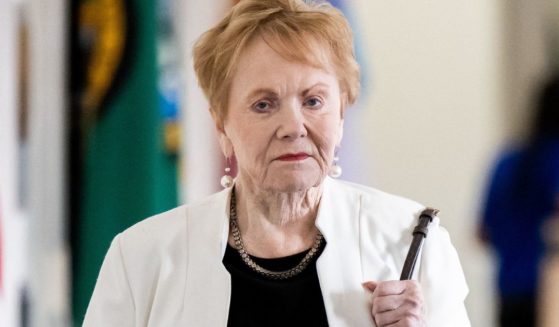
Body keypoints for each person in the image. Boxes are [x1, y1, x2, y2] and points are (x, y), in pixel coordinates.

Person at [83, 0, 470, 326]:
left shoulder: (412, 244)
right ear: (222, 124)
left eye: (313, 101)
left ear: (341, 114)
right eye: (264, 104)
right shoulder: (141, 258)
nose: (293, 126)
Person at [479, 73, 559, 327]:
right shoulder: (554, 160)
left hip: (509, 286)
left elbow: (482, 232)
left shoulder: (506, 160)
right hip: (548, 291)